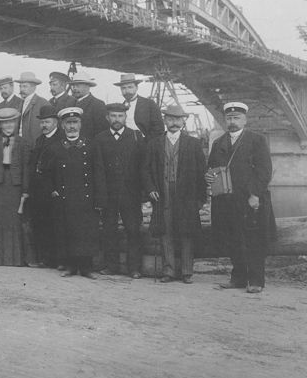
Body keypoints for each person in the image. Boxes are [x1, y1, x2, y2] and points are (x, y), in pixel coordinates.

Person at [207, 102, 275, 293]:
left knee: (254, 240)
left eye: (236, 118)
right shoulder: (218, 143)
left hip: (250, 200)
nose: (232, 121)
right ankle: (238, 279)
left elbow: (264, 171)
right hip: (226, 200)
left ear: (245, 120)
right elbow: (212, 169)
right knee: (233, 239)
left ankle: (256, 281)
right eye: (229, 118)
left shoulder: (256, 140)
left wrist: (255, 194)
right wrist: (209, 177)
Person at [143, 104, 207, 283]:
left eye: (178, 119)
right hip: (162, 194)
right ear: (165, 120)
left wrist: (200, 199)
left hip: (186, 196)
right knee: (166, 231)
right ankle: (168, 271)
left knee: (186, 233)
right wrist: (151, 189)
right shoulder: (154, 143)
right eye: (170, 119)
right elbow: (145, 170)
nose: (174, 123)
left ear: (183, 121)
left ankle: (187, 271)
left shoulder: (193, 144)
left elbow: (201, 172)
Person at [91, 102, 147, 278]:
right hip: (108, 193)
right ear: (107, 118)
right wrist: (100, 195)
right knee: (109, 230)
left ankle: (134, 268)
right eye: (113, 116)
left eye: (120, 116)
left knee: (133, 230)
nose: (117, 119)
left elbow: (143, 166)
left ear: (125, 117)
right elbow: (98, 169)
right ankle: (111, 266)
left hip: (131, 193)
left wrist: (142, 192)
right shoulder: (100, 139)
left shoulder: (136, 137)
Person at [50, 107, 105, 279]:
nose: (72, 126)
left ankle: (86, 268)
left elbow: (99, 172)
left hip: (86, 198)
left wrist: (99, 198)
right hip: (66, 198)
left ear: (80, 124)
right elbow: (47, 173)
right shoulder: (56, 147)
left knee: (86, 233)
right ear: (62, 125)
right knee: (68, 231)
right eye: (68, 123)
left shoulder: (91, 145)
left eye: (75, 122)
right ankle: (70, 266)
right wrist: (53, 190)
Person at [0, 107, 32, 266]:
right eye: (5, 123)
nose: (9, 126)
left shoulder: (23, 143)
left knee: (14, 219)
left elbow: (26, 168)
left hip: (15, 185)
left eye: (11, 122)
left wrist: (25, 190)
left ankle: (16, 258)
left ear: (16, 124)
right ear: (0, 125)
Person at [27, 104, 61, 268]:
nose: (44, 125)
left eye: (47, 122)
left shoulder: (60, 139)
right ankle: (44, 257)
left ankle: (55, 259)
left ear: (55, 122)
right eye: (42, 122)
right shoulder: (39, 140)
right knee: (40, 224)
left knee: (54, 225)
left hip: (53, 190)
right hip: (38, 190)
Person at [114, 73, 165, 137]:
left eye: (130, 87)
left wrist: (147, 141)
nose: (127, 91)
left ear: (136, 88)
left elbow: (159, 129)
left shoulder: (149, 104)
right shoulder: (120, 107)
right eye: (123, 88)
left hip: (145, 141)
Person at [71, 74, 107, 141]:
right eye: (73, 86)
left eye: (78, 86)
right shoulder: (70, 104)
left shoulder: (98, 105)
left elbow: (101, 131)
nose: (74, 88)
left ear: (87, 86)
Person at [17, 72, 48, 140]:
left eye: (25, 86)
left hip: (35, 144)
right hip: (20, 143)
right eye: (20, 86)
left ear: (34, 87)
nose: (21, 89)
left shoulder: (43, 103)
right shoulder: (19, 103)